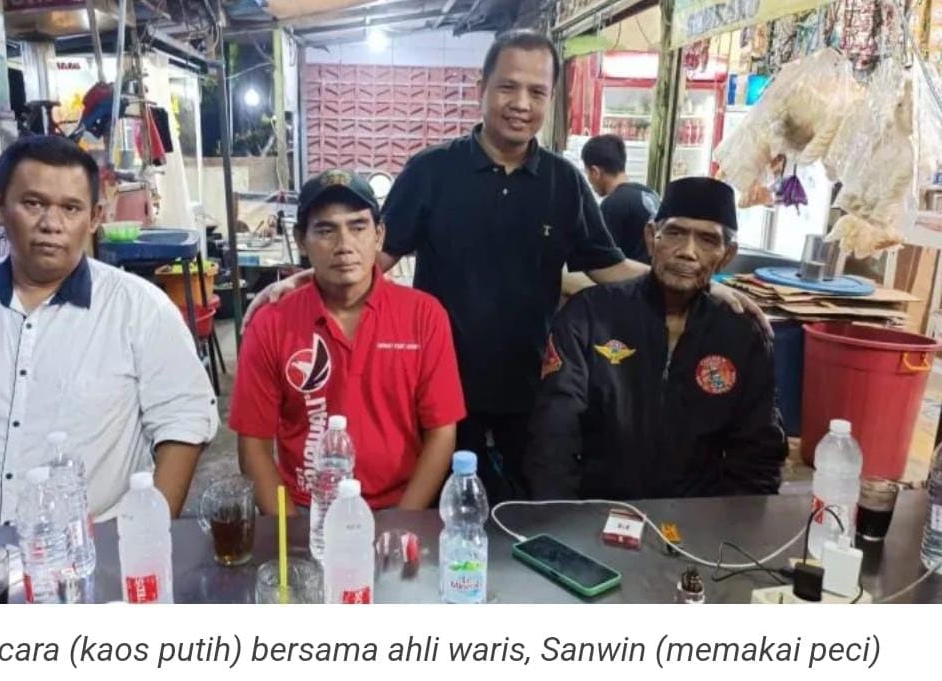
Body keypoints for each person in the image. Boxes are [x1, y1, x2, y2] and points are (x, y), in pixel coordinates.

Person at [244, 30, 765, 504]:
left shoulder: (563, 182)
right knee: (442, 519)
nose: (521, 104)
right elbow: (370, 257)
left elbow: (607, 267)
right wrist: (304, 279)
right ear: (482, 88)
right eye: (508, 87)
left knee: (525, 517)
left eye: (537, 92)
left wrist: (704, 286)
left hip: (532, 392)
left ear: (550, 100)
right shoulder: (432, 171)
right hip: (437, 397)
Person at [0, 136, 218, 527]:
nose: (51, 224)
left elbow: (183, 423)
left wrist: (147, 535)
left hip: (92, 547)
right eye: (33, 204)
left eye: (71, 208)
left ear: (95, 217)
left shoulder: (140, 310)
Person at [525, 177, 787, 500]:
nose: (688, 252)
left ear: (727, 254)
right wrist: (560, 517)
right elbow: (554, 436)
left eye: (707, 240)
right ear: (651, 237)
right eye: (675, 233)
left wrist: (729, 525)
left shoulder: (741, 334)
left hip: (696, 518)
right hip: (596, 510)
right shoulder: (590, 315)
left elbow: (758, 454)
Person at [228, 169, 465, 515]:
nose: (344, 245)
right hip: (307, 510)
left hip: (399, 507)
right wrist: (291, 531)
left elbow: (442, 434)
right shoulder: (271, 323)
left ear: (379, 235)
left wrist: (402, 524)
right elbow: (253, 446)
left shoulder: (424, 316)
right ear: (300, 240)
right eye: (326, 230)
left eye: (358, 227)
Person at [582, 134, 661, 263]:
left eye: (587, 174)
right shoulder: (651, 194)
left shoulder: (612, 205)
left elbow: (604, 260)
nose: (589, 181)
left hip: (634, 274)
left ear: (595, 172)